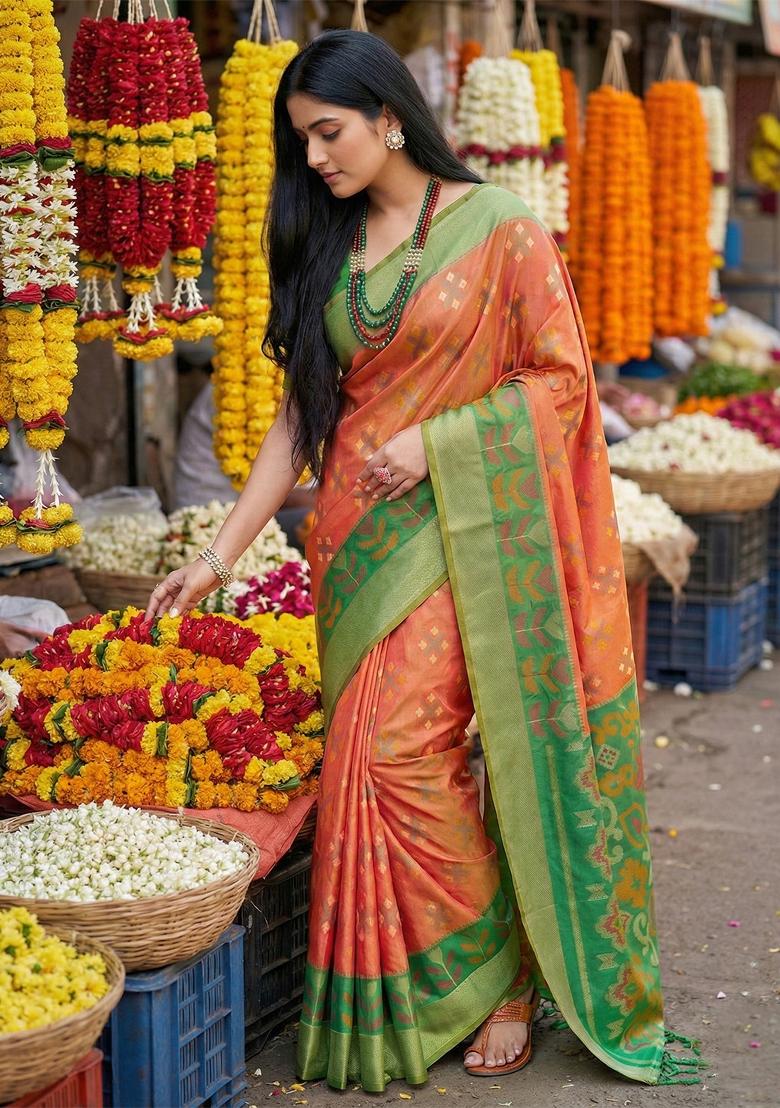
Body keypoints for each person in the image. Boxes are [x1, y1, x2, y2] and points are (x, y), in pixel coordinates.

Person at [145, 30, 701, 1095]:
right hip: (355, 547)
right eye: (303, 140)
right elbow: (298, 425)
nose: (314, 159)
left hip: (466, 535)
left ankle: (495, 980)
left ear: (390, 117)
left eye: (328, 133)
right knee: (361, 754)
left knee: (401, 752)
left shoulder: (502, 230)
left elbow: (564, 383)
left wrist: (434, 442)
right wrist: (218, 554)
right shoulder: (325, 239)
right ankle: (414, 988)